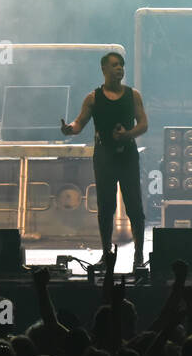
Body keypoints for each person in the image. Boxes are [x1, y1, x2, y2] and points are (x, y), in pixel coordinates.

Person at [61, 52, 149, 269]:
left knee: (134, 207)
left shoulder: (133, 95)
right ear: (104, 69)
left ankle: (138, 255)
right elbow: (79, 123)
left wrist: (127, 134)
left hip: (127, 154)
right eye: (115, 65)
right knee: (106, 207)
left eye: (121, 65)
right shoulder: (93, 98)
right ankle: (107, 254)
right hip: (104, 157)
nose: (119, 68)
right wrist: (69, 129)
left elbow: (144, 124)